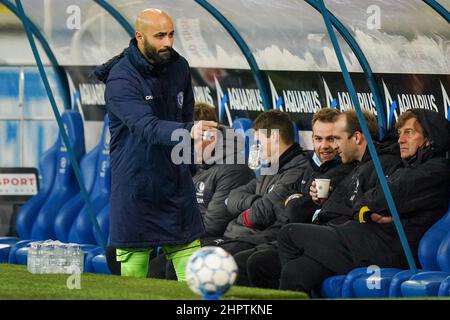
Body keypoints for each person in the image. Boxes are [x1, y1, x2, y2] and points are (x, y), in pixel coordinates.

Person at [94, 9, 217, 279]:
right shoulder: (121, 78)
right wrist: (189, 130)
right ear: (139, 36)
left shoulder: (179, 66)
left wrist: (188, 164)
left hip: (174, 185)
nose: (168, 42)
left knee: (194, 278)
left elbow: (185, 112)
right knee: (134, 284)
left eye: (171, 34)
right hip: (136, 187)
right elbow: (146, 127)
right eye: (160, 36)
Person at [277, 109, 450, 294]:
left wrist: (367, 207)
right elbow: (367, 201)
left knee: (288, 234)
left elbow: (384, 196)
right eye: (399, 134)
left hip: (388, 249)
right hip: (366, 241)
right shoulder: (408, 168)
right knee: (295, 271)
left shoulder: (436, 170)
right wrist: (366, 210)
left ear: (429, 138)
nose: (400, 140)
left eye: (409, 133)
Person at [148, 102, 255, 279]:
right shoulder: (193, 161)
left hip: (219, 239)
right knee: (125, 251)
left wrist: (171, 233)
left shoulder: (233, 167)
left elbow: (214, 224)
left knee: (164, 269)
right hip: (189, 235)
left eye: (190, 139)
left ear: (210, 137)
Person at [209, 110, 309, 257]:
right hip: (236, 235)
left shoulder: (297, 171)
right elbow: (232, 197)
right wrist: (256, 202)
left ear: (274, 136)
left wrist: (247, 211)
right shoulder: (269, 168)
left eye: (258, 141)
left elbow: (260, 214)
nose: (256, 147)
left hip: (255, 240)